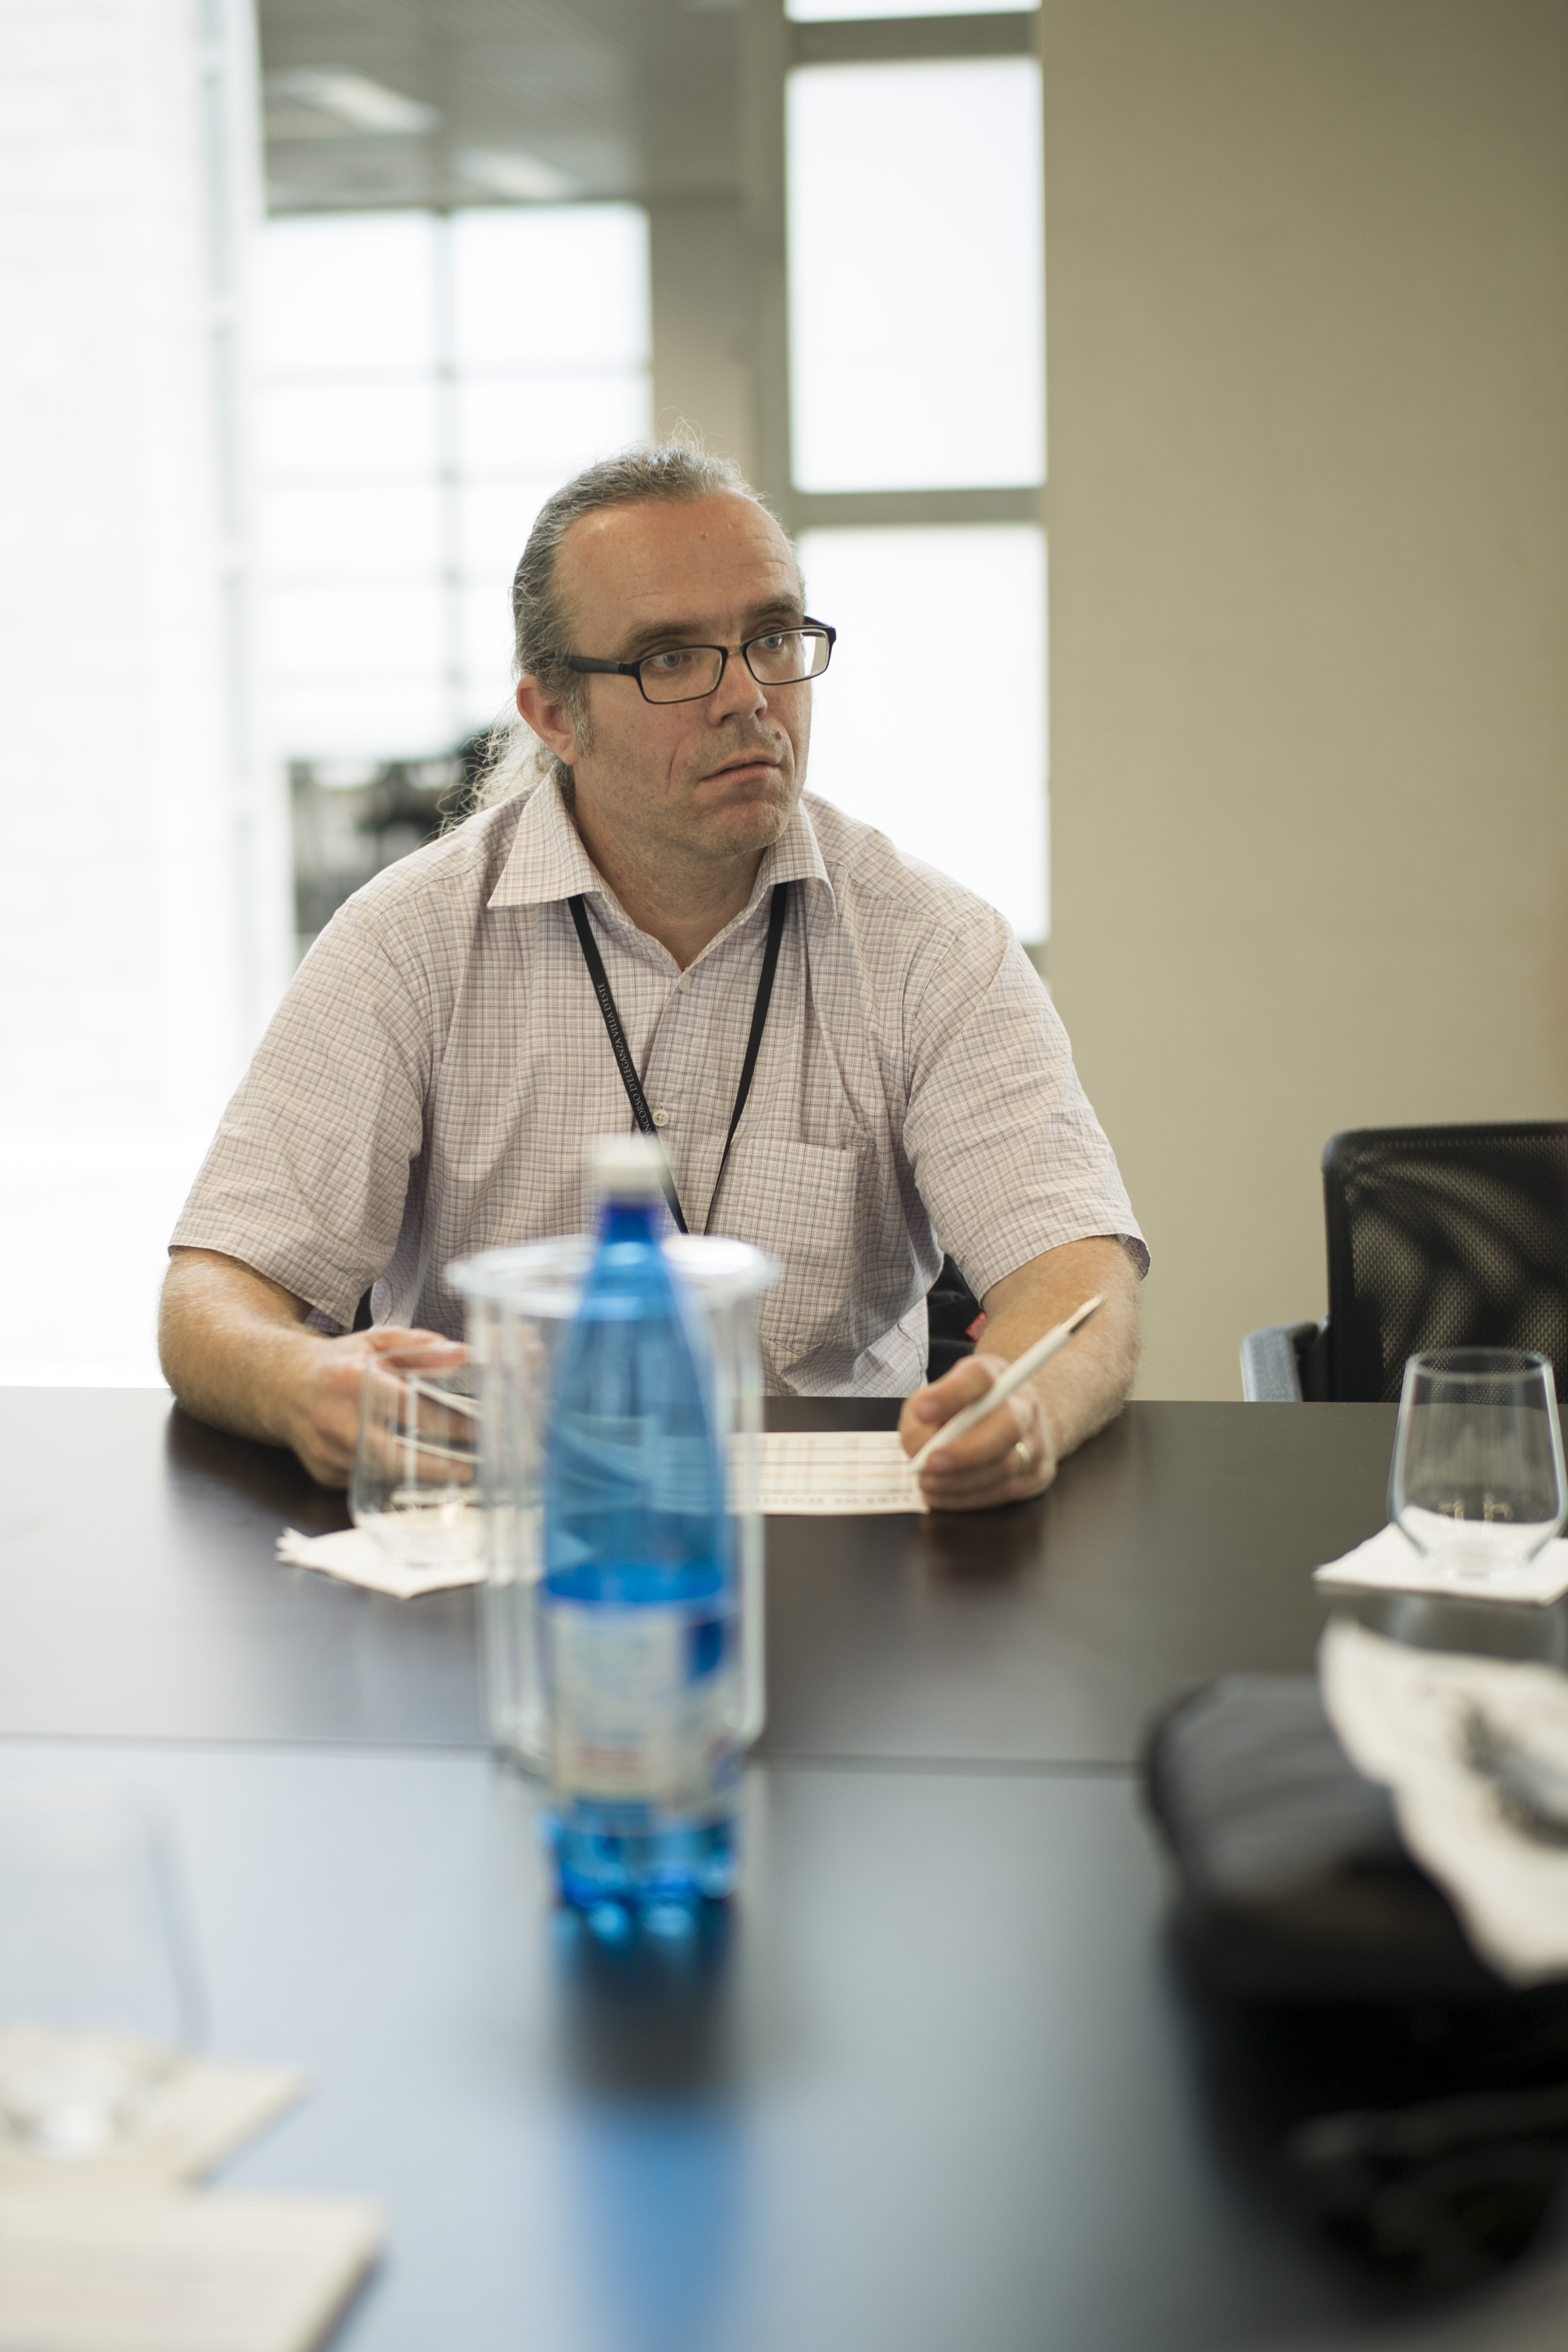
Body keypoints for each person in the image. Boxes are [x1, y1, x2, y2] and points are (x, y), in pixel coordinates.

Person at [160, 444, 1146, 1511]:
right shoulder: (407, 942)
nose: (748, 697)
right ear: (554, 715)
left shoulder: (932, 946)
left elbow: (1075, 1273)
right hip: (497, 1521)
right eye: (672, 659)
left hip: (835, 1536)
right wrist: (300, 1381)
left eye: (772, 638)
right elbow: (217, 1291)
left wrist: (1026, 1401)